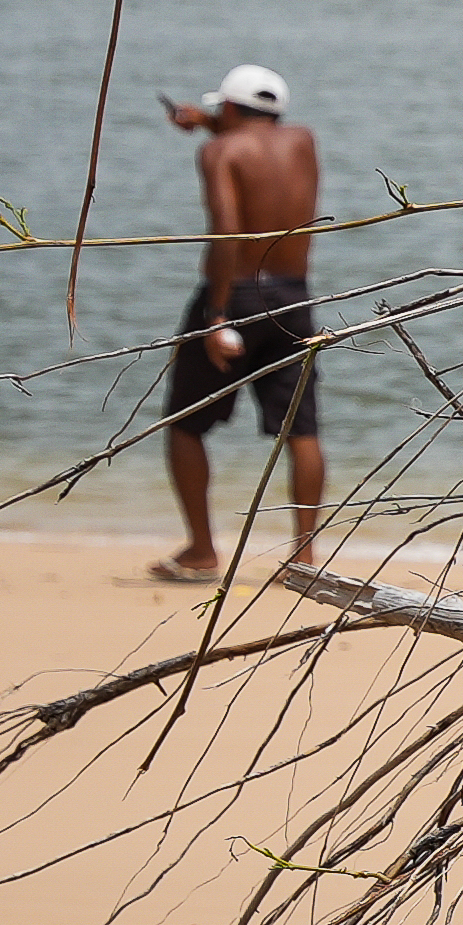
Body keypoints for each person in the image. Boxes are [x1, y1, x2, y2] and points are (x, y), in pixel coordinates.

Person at [150, 64, 327, 587]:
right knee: (302, 429)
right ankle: (304, 558)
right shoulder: (303, 141)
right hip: (293, 296)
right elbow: (257, 140)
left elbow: (228, 231)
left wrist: (217, 315)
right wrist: (207, 121)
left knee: (185, 424)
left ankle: (202, 551)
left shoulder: (219, 152)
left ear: (228, 107)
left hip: (237, 294)